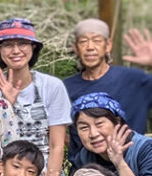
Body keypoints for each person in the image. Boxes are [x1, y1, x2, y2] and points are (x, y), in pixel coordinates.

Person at [0, 18, 72, 176]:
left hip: (43, 174)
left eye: (23, 43)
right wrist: (6, 104)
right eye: (8, 45)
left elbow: (56, 145)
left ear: (33, 47)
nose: (16, 50)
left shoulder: (52, 86)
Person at [63, 19, 152, 161]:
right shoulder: (65, 88)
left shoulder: (134, 80)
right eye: (83, 41)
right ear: (75, 47)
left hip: (134, 167)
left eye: (97, 40)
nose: (90, 47)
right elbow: (48, 126)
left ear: (108, 45)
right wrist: (76, 146)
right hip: (86, 172)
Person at [71, 92, 152, 176]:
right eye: (84, 128)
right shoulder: (83, 158)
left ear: (117, 122)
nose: (93, 134)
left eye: (99, 124)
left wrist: (120, 163)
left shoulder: (146, 149)